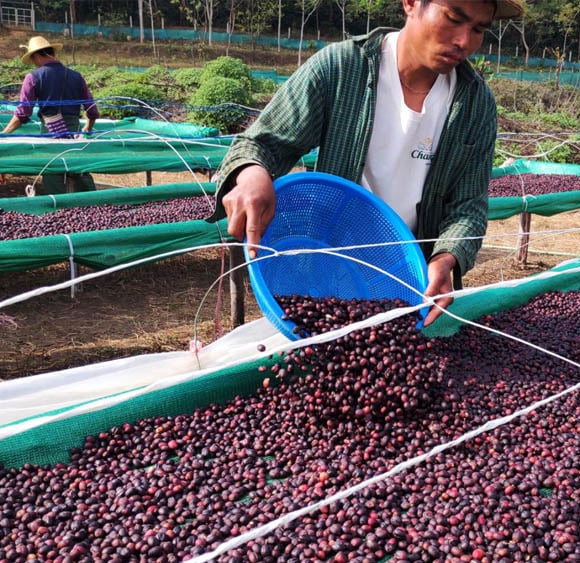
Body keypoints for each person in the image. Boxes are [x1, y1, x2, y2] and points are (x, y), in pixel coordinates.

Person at [212, 0, 525, 326]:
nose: (464, 41)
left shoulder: (475, 104)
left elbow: (469, 207)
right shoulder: (341, 69)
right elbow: (260, 143)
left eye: (478, 29)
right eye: (453, 18)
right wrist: (250, 173)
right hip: (326, 276)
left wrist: (447, 258)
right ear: (411, 3)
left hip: (411, 290)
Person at [2, 35, 99, 194]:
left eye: (33, 59)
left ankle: (59, 210)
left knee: (53, 170)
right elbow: (92, 111)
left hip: (50, 135)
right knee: (77, 169)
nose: (34, 63)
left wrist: (4, 134)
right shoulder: (76, 76)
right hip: (73, 135)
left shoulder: (33, 77)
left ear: (37, 55)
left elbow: (23, 114)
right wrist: (88, 126)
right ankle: (87, 206)